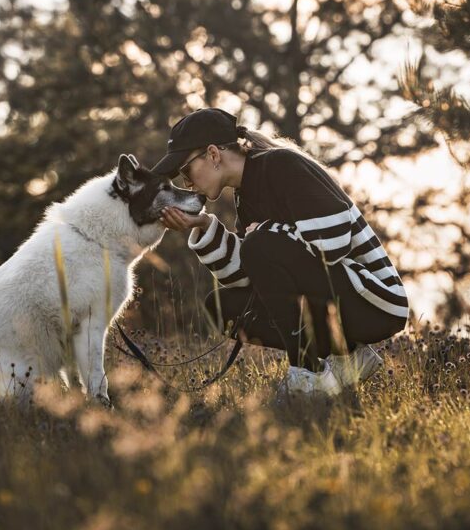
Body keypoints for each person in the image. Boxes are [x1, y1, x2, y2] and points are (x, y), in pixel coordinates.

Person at [151, 108, 409, 398]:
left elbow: (333, 243)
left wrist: (267, 231)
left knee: (259, 244)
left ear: (213, 154)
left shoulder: (282, 165)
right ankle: (347, 356)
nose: (185, 183)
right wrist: (204, 226)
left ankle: (307, 373)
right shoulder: (245, 194)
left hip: (377, 302)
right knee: (222, 307)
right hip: (339, 297)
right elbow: (249, 275)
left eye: (184, 171)